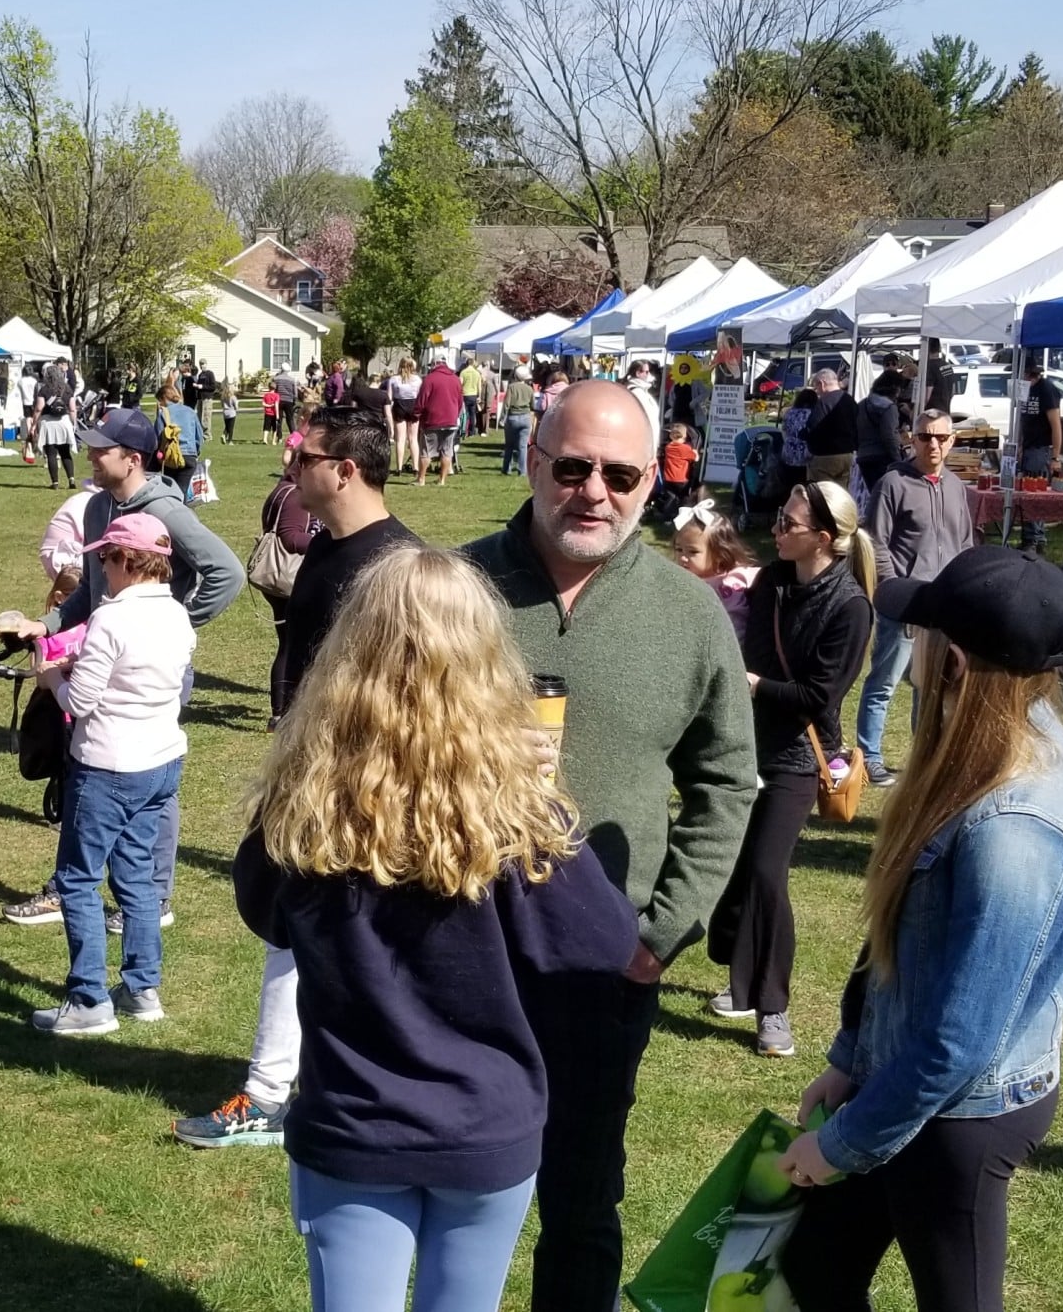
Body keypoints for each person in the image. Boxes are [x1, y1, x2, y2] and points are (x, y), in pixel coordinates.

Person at [235, 546, 638, 1312]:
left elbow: (265, 913)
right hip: (485, 1127)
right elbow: (604, 943)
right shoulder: (519, 814)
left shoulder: (302, 804)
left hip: (355, 1124)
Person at [459, 380, 757, 1311]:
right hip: (457, 956)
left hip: (602, 968)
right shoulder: (452, 590)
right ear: (536, 460)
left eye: (621, 473)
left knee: (582, 1203)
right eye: (574, 466)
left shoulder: (689, 611)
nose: (595, 490)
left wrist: (658, 936)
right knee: (448, 1192)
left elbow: (724, 785)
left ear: (650, 483)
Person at [776, 546, 1063, 1312]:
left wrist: (843, 1143)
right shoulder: (984, 753)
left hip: (960, 1115)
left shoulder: (1014, 823)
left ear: (950, 658)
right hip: (904, 1084)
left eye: (919, 631)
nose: (906, 646)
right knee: (815, 1269)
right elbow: (899, 940)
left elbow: (962, 1036)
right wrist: (854, 1057)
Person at [175, 406, 420, 1150]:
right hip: (307, 768)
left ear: (345, 469)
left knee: (318, 926)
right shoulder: (325, 547)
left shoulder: (396, 567)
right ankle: (297, 1081)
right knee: (297, 922)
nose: (291, 466)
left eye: (304, 456)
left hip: (358, 784)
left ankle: (274, 1091)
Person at [3, 410, 242, 929]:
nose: (89, 455)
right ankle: (73, 886)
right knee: (84, 768)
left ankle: (153, 897)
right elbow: (88, 594)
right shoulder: (95, 510)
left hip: (155, 671)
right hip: (102, 655)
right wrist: (43, 626)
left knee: (152, 777)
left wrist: (173, 621)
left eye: (100, 450)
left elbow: (228, 573)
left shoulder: (166, 513)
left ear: (132, 460)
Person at [708, 482, 875, 1059]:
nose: (777, 529)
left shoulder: (850, 607)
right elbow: (747, 647)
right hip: (742, 743)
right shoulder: (774, 581)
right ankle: (739, 979)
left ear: (823, 540)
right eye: (779, 517)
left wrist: (753, 685)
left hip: (799, 756)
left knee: (765, 870)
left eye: (789, 523)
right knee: (733, 862)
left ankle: (773, 1009)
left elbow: (816, 696)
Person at [29, 514, 196, 1035]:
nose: (100, 567)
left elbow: (79, 701)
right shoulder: (176, 614)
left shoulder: (111, 619)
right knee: (137, 875)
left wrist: (50, 676)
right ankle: (142, 987)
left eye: (104, 557)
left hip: (107, 765)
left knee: (78, 878)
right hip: (161, 760)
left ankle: (88, 999)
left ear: (127, 560)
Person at [858, 408, 976, 789]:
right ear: (913, 439)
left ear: (952, 441)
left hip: (943, 607)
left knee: (931, 688)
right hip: (905, 603)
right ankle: (869, 757)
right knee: (885, 682)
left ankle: (924, 758)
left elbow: (964, 544)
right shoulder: (893, 483)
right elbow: (875, 543)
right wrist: (895, 592)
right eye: (926, 436)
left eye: (941, 437)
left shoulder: (957, 487)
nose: (934, 444)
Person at [257, 444, 318, 720]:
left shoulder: (281, 489)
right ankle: (282, 713)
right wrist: (324, 543)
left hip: (278, 578)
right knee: (292, 645)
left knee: (288, 643)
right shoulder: (294, 495)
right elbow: (290, 537)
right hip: (288, 578)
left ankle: (282, 712)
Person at [670, 498, 758, 634]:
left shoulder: (733, 581)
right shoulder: (680, 581)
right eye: (678, 549)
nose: (682, 557)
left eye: (693, 552)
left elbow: (735, 626)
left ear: (719, 554)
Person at [1012, 362, 1063, 551]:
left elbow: (1056, 424)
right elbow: (1021, 418)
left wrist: (1055, 456)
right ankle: (1032, 536)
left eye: (1025, 375)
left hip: (1041, 448)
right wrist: (1018, 443)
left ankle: (1034, 538)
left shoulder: (1046, 389)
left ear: (1031, 374)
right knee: (1027, 492)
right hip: (1028, 446)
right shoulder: (1024, 389)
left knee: (1034, 493)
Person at [803, 367, 859, 487]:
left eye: (816, 387)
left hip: (825, 457)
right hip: (847, 455)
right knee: (842, 494)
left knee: (822, 495)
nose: (817, 391)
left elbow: (812, 427)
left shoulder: (823, 402)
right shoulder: (850, 400)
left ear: (822, 384)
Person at [415, 353, 465, 487]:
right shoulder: (455, 379)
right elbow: (460, 401)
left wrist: (417, 412)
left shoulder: (429, 379)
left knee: (426, 451)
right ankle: (442, 480)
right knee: (447, 451)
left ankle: (421, 479)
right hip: (451, 420)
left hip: (432, 420)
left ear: (435, 364)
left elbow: (422, 400)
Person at [855, 376, 903, 501]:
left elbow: (854, 431)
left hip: (863, 456)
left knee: (874, 495)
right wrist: (898, 460)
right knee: (887, 497)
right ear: (895, 389)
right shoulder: (888, 407)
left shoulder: (861, 404)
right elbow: (889, 436)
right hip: (882, 458)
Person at [157, 384, 204, 500]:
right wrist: (195, 452)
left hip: (171, 457)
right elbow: (199, 436)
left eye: (160, 401)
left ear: (164, 398)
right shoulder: (190, 411)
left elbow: (157, 436)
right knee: (182, 491)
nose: (159, 404)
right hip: (189, 456)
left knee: (172, 493)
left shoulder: (163, 413)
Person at [35, 376, 79, 487]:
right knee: (65, 453)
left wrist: (34, 422)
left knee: (51, 454)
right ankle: (71, 480)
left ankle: (55, 482)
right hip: (63, 421)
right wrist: (73, 423)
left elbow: (39, 408)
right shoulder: (67, 389)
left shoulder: (44, 389)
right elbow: (73, 409)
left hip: (48, 423)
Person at [654, 422, 699, 519]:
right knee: (683, 498)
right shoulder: (685, 448)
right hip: (681, 479)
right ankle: (682, 516)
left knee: (671, 497)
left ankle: (667, 517)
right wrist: (695, 451)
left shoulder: (668, 447)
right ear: (685, 436)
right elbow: (696, 458)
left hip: (668, 478)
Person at [387, 357, 423, 473]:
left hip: (399, 406)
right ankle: (415, 467)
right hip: (413, 405)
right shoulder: (417, 379)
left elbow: (389, 397)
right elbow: (419, 395)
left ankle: (399, 467)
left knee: (400, 439)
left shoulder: (393, 379)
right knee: (413, 439)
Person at [500, 365, 535, 475]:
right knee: (523, 446)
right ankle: (522, 470)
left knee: (509, 445)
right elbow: (533, 405)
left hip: (513, 417)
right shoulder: (530, 389)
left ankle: (506, 469)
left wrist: (502, 419)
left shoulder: (511, 387)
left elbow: (506, 404)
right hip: (525, 417)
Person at [193, 359, 227, 443]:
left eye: (203, 364)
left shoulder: (210, 374)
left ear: (206, 364)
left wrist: (203, 387)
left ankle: (207, 435)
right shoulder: (200, 375)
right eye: (200, 364)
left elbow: (213, 386)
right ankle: (201, 434)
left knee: (206, 417)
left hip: (207, 398)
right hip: (200, 398)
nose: (202, 365)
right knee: (200, 416)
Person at [459, 353, 488, 441]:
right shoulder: (477, 373)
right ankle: (472, 432)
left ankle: (463, 430)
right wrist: (479, 396)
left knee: (464, 414)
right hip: (474, 395)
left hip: (465, 395)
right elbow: (479, 386)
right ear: (473, 364)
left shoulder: (463, 372)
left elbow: (460, 384)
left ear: (467, 364)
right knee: (472, 414)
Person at [274, 363, 306, 436]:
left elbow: (275, 390)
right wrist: (294, 399)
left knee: (279, 418)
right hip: (289, 400)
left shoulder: (276, 379)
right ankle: (293, 434)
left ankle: (279, 436)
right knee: (290, 419)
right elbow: (295, 392)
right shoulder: (292, 380)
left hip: (279, 400)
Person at [260, 375, 282, 445]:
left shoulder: (266, 395)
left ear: (269, 387)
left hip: (267, 413)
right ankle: (273, 441)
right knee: (274, 428)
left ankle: (265, 439)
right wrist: (277, 415)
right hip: (274, 414)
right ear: (275, 388)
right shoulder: (276, 395)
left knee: (266, 427)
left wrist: (268, 405)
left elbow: (263, 403)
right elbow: (276, 405)